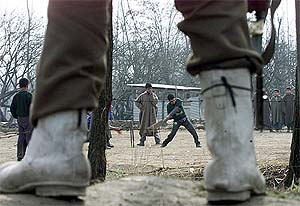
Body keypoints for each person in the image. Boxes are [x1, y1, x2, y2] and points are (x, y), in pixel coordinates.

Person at [0, 0, 266, 203]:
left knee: (78, 8)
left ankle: (54, 151)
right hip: (151, 116)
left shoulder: (157, 98)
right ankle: (235, 160)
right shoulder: (145, 97)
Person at [10, 78, 33, 161]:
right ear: (27, 85)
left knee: (21, 137)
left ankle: (20, 155)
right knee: (29, 137)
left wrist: (17, 116)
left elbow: (12, 108)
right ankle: (31, 156)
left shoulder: (16, 96)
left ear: (19, 85)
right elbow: (32, 108)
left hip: (19, 119)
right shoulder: (29, 96)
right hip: (28, 119)